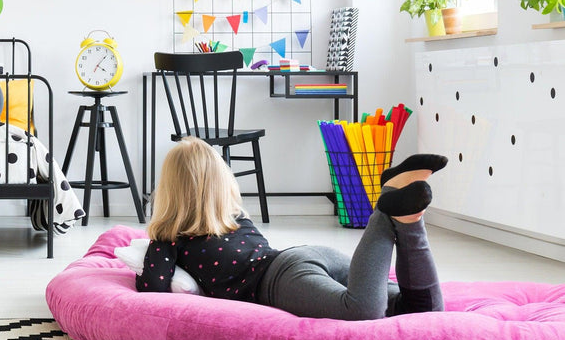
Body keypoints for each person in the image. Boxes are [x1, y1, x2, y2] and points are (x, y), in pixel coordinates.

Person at [137, 136, 447, 320]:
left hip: (280, 279)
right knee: (422, 310)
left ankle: (387, 200)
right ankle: (410, 218)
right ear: (221, 181)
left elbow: (152, 288)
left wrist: (156, 245)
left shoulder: (171, 237)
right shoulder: (236, 218)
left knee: (363, 311)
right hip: (308, 255)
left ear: (170, 190)